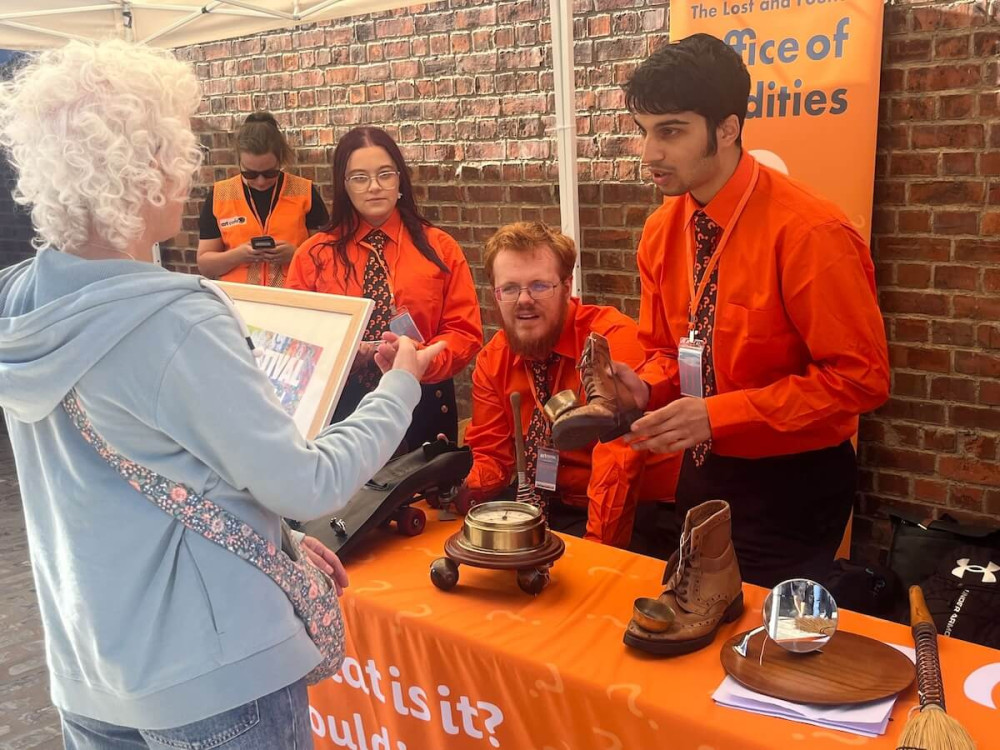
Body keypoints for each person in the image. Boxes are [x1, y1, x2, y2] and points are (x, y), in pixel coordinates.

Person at [0, 40, 440, 749]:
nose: (190, 173)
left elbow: (137, 470)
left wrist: (273, 537)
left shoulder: (19, 300)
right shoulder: (176, 318)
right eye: (180, 150)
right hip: (216, 675)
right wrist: (401, 385)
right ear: (146, 167)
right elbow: (309, 482)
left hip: (89, 669)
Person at [615, 34, 890, 587]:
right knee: (692, 613)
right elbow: (668, 352)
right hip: (703, 467)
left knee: (755, 632)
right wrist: (643, 388)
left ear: (727, 129)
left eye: (671, 131)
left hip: (793, 482)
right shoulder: (661, 231)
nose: (649, 154)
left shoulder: (809, 231)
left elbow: (861, 379)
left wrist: (718, 415)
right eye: (644, 130)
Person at [459, 222, 680, 551]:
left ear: (566, 286)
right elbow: (492, 456)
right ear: (495, 295)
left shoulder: (609, 339)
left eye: (539, 286)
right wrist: (457, 487)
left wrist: (594, 554)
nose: (524, 300)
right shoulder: (494, 359)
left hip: (636, 509)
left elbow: (618, 464)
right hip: (547, 504)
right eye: (510, 288)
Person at [286, 126, 482, 449]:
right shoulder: (313, 255)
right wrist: (342, 355)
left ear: (400, 180)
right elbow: (296, 339)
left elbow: (464, 331)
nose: (374, 186)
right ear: (344, 185)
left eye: (385, 174)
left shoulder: (440, 248)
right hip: (340, 406)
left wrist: (418, 361)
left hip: (422, 398)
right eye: (359, 178)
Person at [196, 111, 329, 286]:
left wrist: (296, 255)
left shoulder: (304, 192)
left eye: (270, 173)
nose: (260, 181)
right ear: (239, 162)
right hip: (239, 298)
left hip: (293, 295)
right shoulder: (220, 195)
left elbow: (327, 258)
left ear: (280, 160)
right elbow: (205, 266)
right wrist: (238, 255)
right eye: (250, 174)